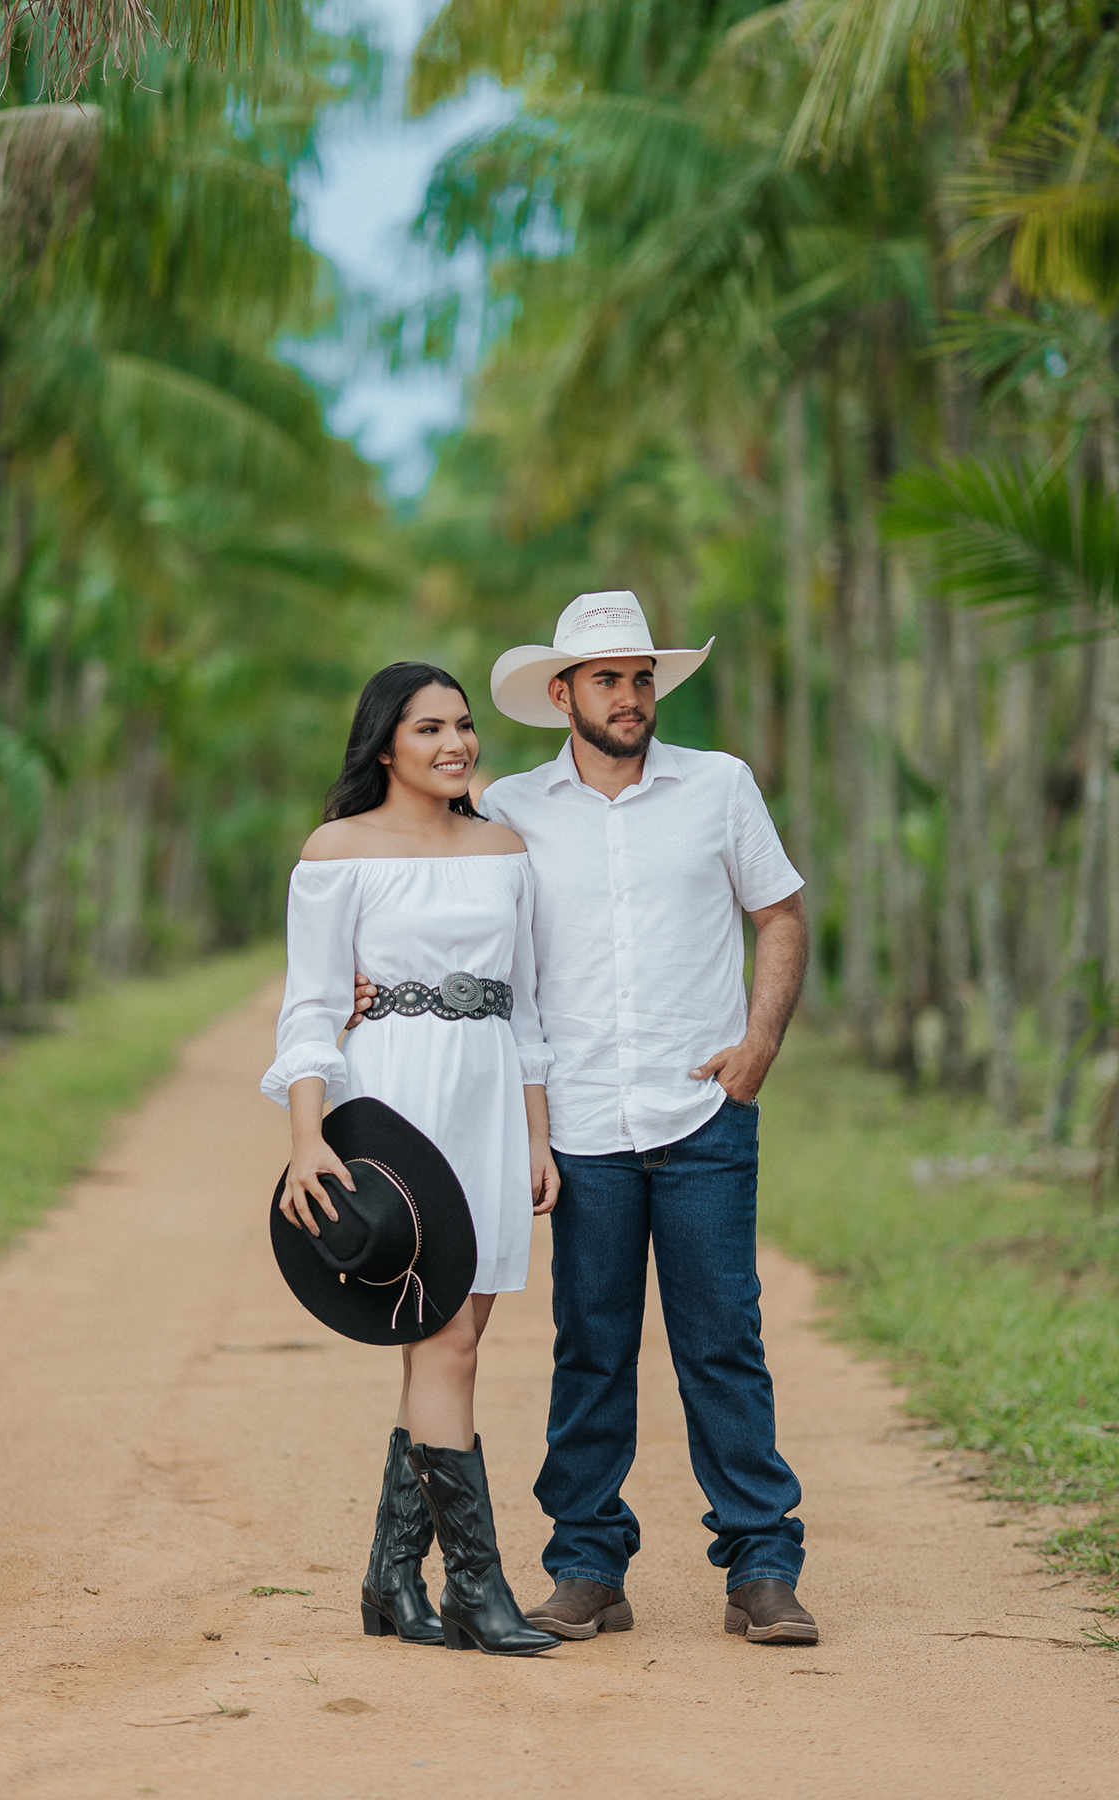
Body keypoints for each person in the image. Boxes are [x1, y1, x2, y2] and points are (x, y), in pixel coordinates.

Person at [354, 590, 815, 1646]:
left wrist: (760, 1047)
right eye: (609, 679)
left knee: (723, 1342)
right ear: (562, 693)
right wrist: (360, 984)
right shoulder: (510, 807)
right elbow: (432, 896)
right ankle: (589, 1566)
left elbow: (779, 913)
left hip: (701, 1111)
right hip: (580, 1125)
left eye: (643, 677)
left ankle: (762, 1568)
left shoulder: (720, 787)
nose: (631, 695)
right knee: (591, 1346)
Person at [260, 662, 560, 1657]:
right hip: (390, 1103)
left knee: (451, 1338)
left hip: (483, 1103)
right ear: (384, 743)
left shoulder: (503, 846)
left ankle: (393, 1579)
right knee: (447, 1346)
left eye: (465, 725)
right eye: (429, 727)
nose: (455, 743)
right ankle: (478, 1589)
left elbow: (524, 1005)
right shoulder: (336, 851)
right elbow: (309, 1006)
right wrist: (307, 1137)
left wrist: (535, 1131)